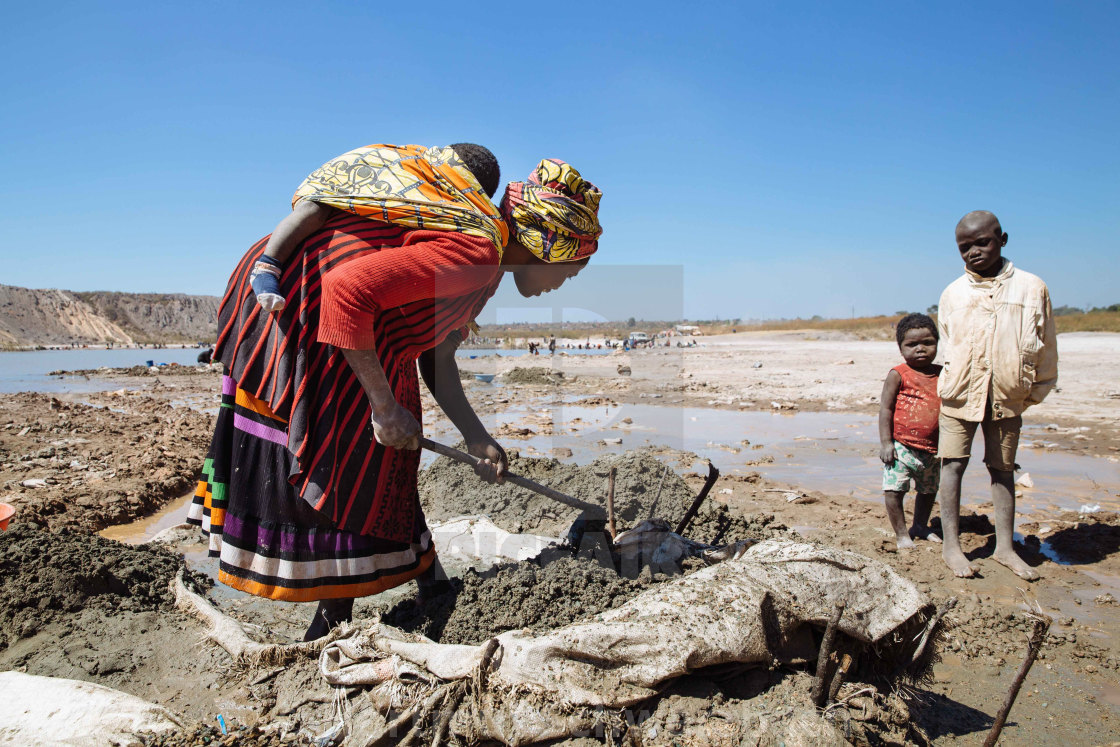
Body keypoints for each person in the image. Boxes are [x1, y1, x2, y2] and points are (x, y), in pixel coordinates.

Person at [188, 147, 603, 639]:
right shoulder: (478, 255)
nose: (563, 283)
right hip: (301, 309)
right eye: (570, 271)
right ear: (544, 246)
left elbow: (434, 354)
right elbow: (346, 291)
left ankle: (425, 582)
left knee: (392, 448)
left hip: (341, 322)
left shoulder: (484, 268)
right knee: (351, 452)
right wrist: (383, 408)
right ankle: (331, 622)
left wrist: (476, 438)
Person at [937, 211, 1057, 580]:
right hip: (959, 395)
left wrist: (1031, 393)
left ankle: (1005, 548)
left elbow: (1046, 345)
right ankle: (952, 547)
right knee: (953, 465)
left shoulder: (1032, 287)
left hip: (1007, 395)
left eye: (981, 242)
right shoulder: (952, 293)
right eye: (964, 247)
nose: (973, 252)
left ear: (1002, 239)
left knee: (1003, 470)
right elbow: (947, 347)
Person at [249, 143, 502, 313]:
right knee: (313, 212)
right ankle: (267, 265)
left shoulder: (435, 204)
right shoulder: (421, 171)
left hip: (369, 196)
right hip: (340, 182)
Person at [878, 313, 943, 550]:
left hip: (933, 450)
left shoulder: (942, 374)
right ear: (901, 348)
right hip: (901, 447)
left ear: (937, 343)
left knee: (928, 491)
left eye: (927, 343)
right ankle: (902, 534)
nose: (920, 349)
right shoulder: (898, 374)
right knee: (894, 491)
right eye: (912, 344)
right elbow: (885, 409)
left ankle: (920, 526)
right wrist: (886, 443)